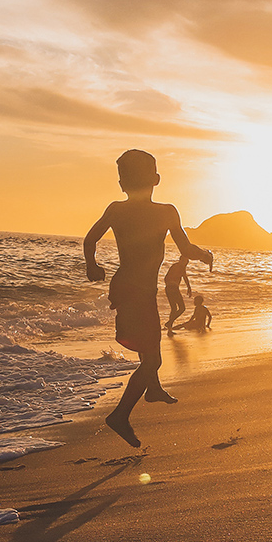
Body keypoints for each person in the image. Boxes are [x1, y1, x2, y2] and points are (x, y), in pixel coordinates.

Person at [84, 149, 213, 447]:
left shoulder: (116, 209)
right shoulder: (166, 211)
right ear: (156, 178)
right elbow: (186, 248)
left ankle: (152, 389)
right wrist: (205, 255)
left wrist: (92, 266)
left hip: (126, 286)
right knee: (152, 357)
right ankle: (120, 415)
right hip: (139, 292)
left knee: (148, 342)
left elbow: (90, 240)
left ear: (121, 183)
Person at [163, 253, 193, 331]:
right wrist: (172, 284)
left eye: (187, 262)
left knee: (174, 308)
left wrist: (189, 288)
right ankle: (169, 323)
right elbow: (184, 278)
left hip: (169, 288)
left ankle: (169, 328)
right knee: (182, 308)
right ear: (181, 260)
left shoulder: (178, 266)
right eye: (185, 261)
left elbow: (166, 278)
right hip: (173, 288)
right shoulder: (178, 267)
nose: (185, 263)